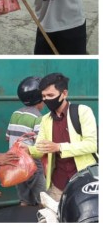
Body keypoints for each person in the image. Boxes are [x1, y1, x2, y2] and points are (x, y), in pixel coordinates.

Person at [21, 73, 97, 201]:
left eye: (50, 95)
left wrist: (58, 147)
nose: (46, 99)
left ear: (64, 94)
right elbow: (40, 149)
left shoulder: (83, 111)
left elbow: (91, 144)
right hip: (57, 185)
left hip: (85, 182)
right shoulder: (45, 120)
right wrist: (28, 150)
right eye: (43, 96)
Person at [5, 76, 46, 206]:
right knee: (43, 199)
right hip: (32, 163)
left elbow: (7, 137)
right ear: (41, 99)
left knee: (24, 200)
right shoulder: (39, 118)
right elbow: (39, 145)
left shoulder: (15, 114)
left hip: (15, 163)